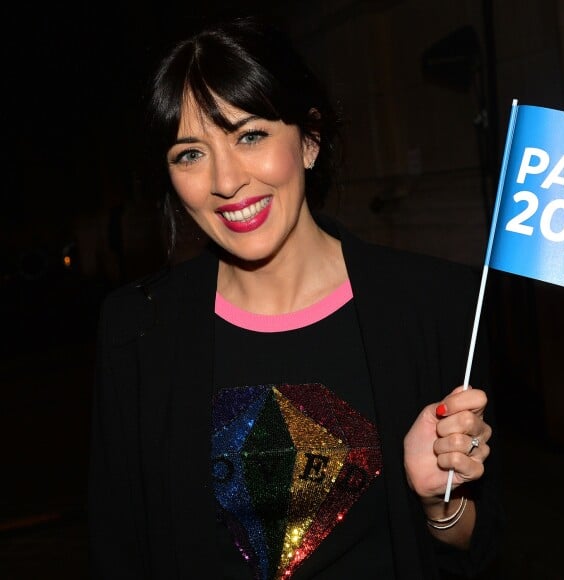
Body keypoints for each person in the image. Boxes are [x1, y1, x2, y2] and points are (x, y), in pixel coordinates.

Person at [88, 15, 504, 580]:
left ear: (309, 140)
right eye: (190, 153)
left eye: (250, 135)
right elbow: (119, 548)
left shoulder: (434, 305)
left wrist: (439, 504)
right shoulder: (137, 327)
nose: (226, 180)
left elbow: (483, 548)